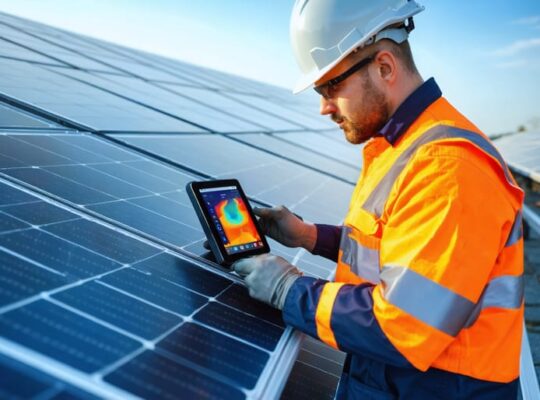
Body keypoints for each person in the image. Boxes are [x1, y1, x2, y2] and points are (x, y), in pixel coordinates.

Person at [232, 1, 525, 398]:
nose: (324, 107)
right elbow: (395, 252)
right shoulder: (403, 147)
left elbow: (401, 326)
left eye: (331, 86)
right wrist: (308, 236)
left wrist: (289, 289)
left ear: (384, 67)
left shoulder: (448, 168)